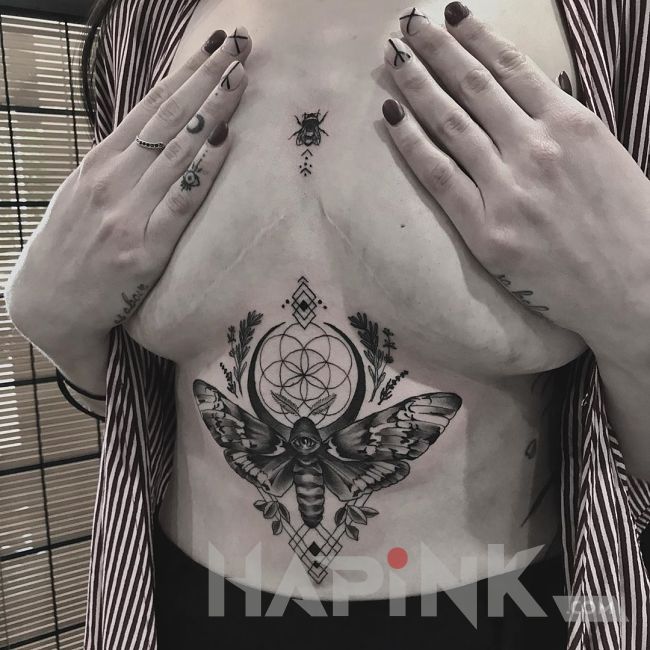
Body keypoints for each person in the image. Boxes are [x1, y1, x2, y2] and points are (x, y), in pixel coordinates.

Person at [5, 0, 650, 648]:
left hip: (514, 612)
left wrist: (640, 315)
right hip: (187, 608)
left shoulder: (616, 24)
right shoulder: (145, 25)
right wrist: (60, 329)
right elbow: (140, 398)